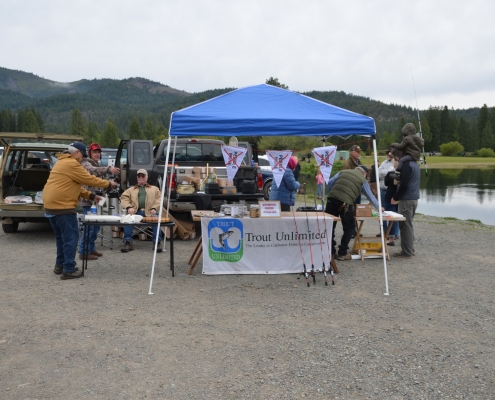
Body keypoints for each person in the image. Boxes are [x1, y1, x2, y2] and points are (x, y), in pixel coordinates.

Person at [43, 142, 116, 280]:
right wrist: (108, 183)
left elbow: (74, 186)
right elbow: (89, 179)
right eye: (82, 155)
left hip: (50, 206)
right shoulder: (72, 164)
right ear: (77, 152)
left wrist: (92, 196)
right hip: (62, 207)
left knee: (61, 238)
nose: (82, 158)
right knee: (71, 238)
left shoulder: (61, 162)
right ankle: (69, 269)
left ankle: (60, 265)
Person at [324, 166, 383, 261]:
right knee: (349, 228)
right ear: (364, 174)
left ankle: (331, 252)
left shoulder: (343, 171)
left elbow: (330, 182)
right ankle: (342, 253)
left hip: (331, 199)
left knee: (330, 226)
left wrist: (333, 194)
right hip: (346, 203)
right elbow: (370, 196)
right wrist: (379, 208)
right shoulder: (363, 180)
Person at [78, 143, 120, 260]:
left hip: (99, 200)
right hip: (89, 200)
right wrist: (108, 169)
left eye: (98, 152)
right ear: (89, 153)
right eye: (94, 152)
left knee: (96, 227)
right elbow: (93, 171)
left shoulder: (97, 164)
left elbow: (100, 183)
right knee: (89, 227)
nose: (97, 154)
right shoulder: (86, 163)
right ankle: (83, 252)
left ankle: (91, 249)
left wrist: (110, 185)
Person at [120, 168, 164, 253]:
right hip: (136, 212)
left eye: (143, 176)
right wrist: (129, 207)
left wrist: (154, 208)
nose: (141, 177)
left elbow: (159, 199)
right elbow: (123, 198)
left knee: (156, 220)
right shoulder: (130, 190)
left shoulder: (155, 189)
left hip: (150, 213)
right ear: (137, 178)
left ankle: (157, 243)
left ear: (146, 177)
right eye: (139, 176)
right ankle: (128, 242)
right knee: (127, 220)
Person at [391, 151, 420, 259]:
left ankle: (407, 252)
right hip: (413, 198)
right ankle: (410, 249)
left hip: (407, 199)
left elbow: (404, 183)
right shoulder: (414, 163)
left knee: (405, 225)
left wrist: (395, 197)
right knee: (409, 224)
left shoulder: (407, 165)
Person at [378, 147, 400, 245]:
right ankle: (385, 232)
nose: (388, 155)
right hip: (384, 190)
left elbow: (389, 175)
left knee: (393, 214)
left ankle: (394, 234)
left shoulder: (397, 162)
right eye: (387, 153)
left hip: (392, 193)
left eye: (390, 153)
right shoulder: (384, 163)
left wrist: (387, 173)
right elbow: (378, 173)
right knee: (383, 211)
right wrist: (388, 172)